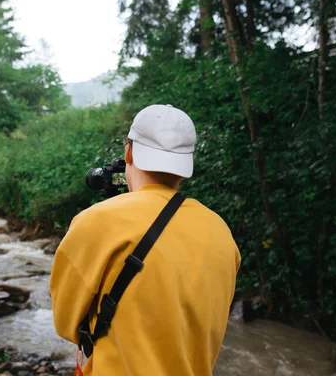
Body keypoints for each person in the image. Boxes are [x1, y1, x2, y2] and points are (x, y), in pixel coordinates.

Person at [49, 104, 241, 376]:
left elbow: (67, 323)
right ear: (188, 163)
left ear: (128, 151)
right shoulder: (220, 231)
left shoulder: (96, 222)